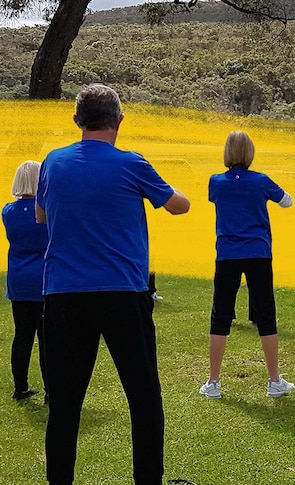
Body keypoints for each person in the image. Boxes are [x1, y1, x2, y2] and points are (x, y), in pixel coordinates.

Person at [36, 84, 190, 485]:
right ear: (119, 120)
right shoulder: (131, 164)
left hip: (64, 294)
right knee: (143, 397)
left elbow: (41, 216)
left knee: (66, 403)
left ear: (77, 121)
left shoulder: (52, 163)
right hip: (123, 292)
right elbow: (179, 205)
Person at [199, 130, 295, 400]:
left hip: (227, 253)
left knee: (220, 316)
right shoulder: (261, 181)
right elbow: (287, 201)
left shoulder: (216, 182)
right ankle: (274, 380)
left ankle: (214, 382)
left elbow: (216, 199)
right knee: (265, 314)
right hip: (258, 253)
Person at [3, 160, 48, 402]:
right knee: (46, 338)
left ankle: (20, 387)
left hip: (18, 279)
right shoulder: (46, 211)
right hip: (42, 279)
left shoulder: (8, 212)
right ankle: (52, 389)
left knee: (22, 335)